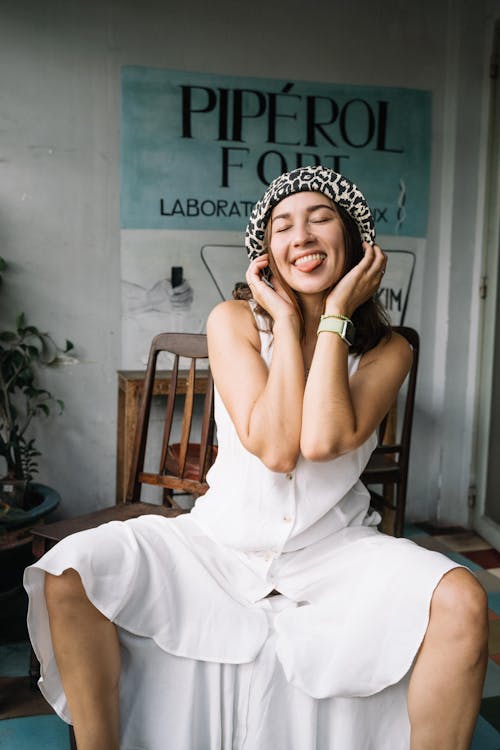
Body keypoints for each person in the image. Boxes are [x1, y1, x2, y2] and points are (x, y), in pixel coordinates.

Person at [25, 166, 488, 750]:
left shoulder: (387, 349)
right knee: (70, 573)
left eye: (321, 219)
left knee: (462, 600)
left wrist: (334, 317)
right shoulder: (233, 321)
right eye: (282, 226)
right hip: (220, 543)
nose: (302, 235)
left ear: (352, 239)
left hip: (335, 552)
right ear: (266, 252)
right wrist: (289, 319)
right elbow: (274, 448)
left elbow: (321, 441)